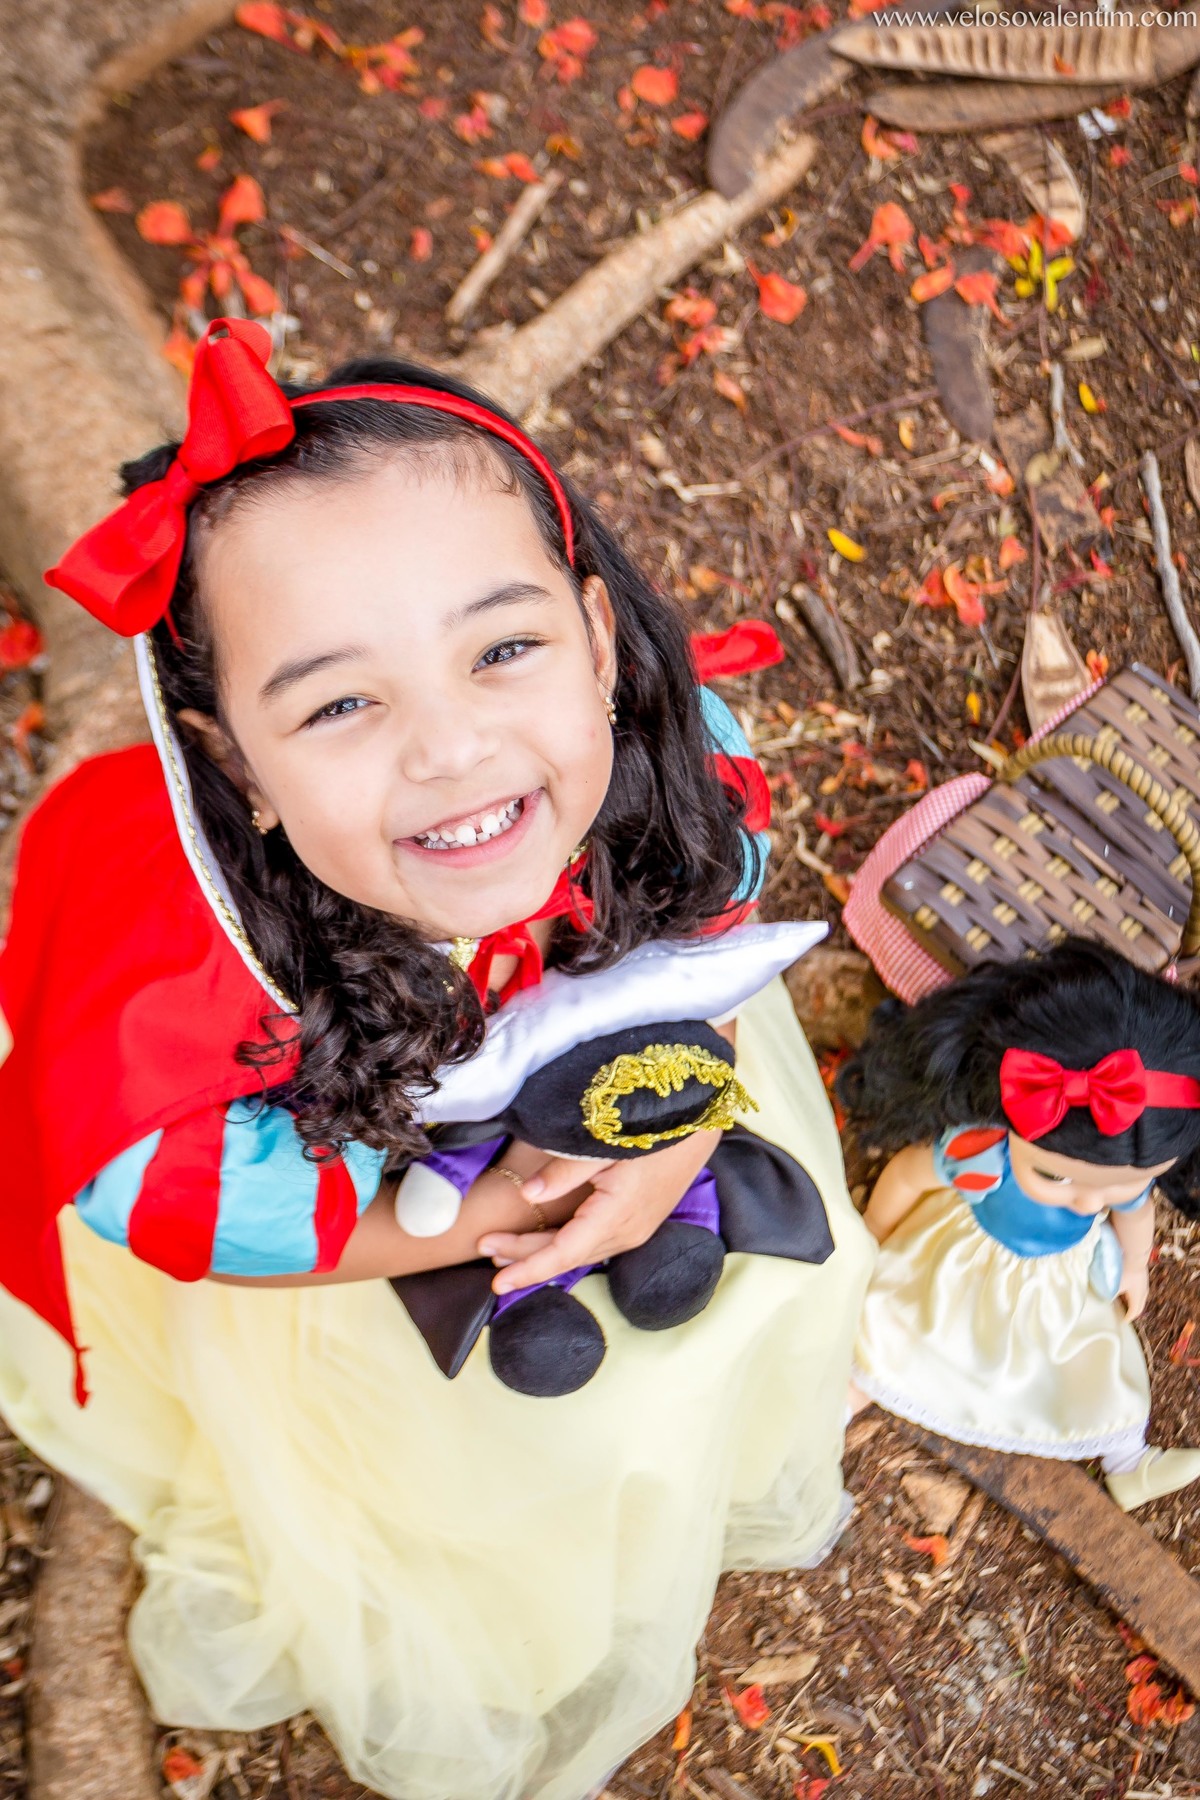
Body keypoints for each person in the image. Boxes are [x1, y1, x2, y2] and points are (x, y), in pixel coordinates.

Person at [0, 319, 874, 1800]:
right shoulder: (193, 1002)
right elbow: (208, 1215)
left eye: (504, 648)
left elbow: (704, 941)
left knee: (694, 1367)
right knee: (448, 1479)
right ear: (235, 767)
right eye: (340, 702)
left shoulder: (679, 771)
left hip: (607, 1108)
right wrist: (495, 1218)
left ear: (600, 642)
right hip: (362, 1228)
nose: (453, 748)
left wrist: (667, 1135)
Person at [839, 938, 1200, 1512]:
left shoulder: (1116, 1185)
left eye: (1125, 1184)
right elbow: (910, 1176)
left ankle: (1127, 1461)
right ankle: (844, 1397)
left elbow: (1135, 1211)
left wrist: (1134, 1263)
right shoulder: (985, 1154)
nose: (1089, 1204)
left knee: (1090, 1362)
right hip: (965, 1257)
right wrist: (873, 1234)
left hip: (1058, 1279)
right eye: (1057, 1178)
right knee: (896, 1324)